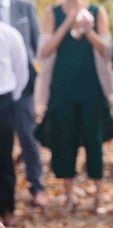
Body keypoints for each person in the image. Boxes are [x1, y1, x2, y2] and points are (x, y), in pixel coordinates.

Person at [36, 0, 113, 214]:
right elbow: (44, 51)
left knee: (94, 139)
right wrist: (67, 22)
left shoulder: (96, 11)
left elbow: (107, 51)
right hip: (62, 88)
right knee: (64, 139)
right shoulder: (52, 13)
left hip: (91, 87)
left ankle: (98, 196)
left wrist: (89, 31)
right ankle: (68, 196)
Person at [1, 0, 45, 208]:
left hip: (22, 85)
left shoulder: (25, 7)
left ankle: (36, 186)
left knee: (28, 137)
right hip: (4, 89)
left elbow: (36, 44)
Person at [0, 21, 28, 227]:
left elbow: (21, 72)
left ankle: (6, 208)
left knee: (4, 157)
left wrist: (10, 97)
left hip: (4, 100)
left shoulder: (10, 35)